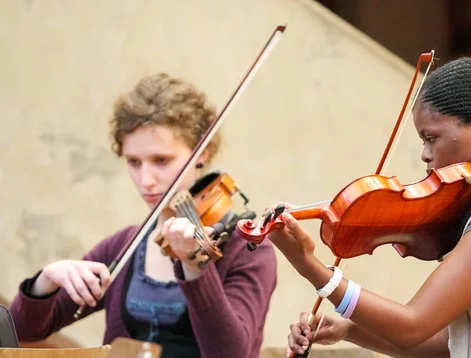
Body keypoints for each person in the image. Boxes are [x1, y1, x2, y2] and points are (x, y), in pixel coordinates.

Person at [264, 57, 471, 357]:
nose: (424, 154)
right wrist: (351, 330)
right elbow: (451, 342)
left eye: (430, 138)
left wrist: (309, 266)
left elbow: (412, 325)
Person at [9, 73, 277, 358]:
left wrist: (194, 267)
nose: (145, 179)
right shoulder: (123, 246)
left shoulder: (247, 249)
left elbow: (230, 354)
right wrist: (46, 281)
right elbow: (22, 332)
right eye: (134, 162)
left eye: (161, 160)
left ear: (203, 152)